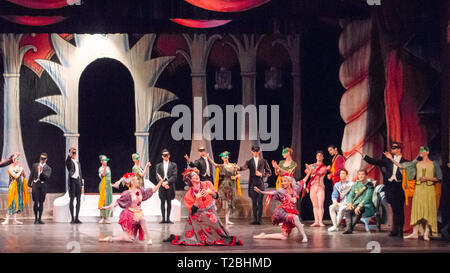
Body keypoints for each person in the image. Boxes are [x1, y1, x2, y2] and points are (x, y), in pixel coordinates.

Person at [166, 169, 243, 246]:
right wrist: (197, 199)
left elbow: (216, 196)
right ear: (190, 179)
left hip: (210, 211)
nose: (196, 176)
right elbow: (192, 211)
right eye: (193, 175)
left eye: (196, 174)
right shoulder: (189, 194)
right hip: (197, 215)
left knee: (211, 220)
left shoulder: (207, 184)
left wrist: (211, 192)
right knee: (192, 233)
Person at [387, 146, 442, 240]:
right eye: (420, 150)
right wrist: (391, 158)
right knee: (417, 210)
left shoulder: (434, 164)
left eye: (423, 150)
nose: (421, 152)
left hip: (429, 189)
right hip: (419, 189)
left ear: (427, 152)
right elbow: (401, 166)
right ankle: (415, 232)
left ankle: (426, 233)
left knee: (428, 210)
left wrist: (428, 178)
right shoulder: (416, 163)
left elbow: (439, 177)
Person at [358, 142, 407, 237]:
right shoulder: (387, 161)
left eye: (394, 148)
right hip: (390, 186)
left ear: (399, 149)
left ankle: (401, 230)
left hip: (399, 186)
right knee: (393, 208)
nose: (392, 149)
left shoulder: (405, 161)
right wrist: (363, 155)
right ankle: (395, 230)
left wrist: (391, 158)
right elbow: (374, 161)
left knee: (400, 209)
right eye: (392, 147)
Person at [99, 172, 163, 244]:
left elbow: (153, 190)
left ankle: (110, 239)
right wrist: (105, 207)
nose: (138, 181)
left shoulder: (141, 190)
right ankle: (149, 239)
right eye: (137, 180)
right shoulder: (127, 193)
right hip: (130, 214)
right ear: (132, 182)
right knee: (142, 219)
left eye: (138, 180)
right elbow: (117, 202)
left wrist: (160, 182)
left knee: (130, 238)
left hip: (138, 212)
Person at [253, 173, 309, 242]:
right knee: (295, 218)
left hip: (291, 212)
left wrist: (309, 172)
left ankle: (264, 236)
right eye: (282, 181)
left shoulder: (295, 189)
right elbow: (273, 192)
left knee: (284, 236)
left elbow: (303, 180)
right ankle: (304, 237)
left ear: (290, 182)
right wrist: (261, 192)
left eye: (285, 181)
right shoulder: (281, 191)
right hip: (284, 212)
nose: (283, 183)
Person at [237, 145, 272, 225]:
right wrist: (238, 168)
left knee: (260, 202)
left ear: (259, 151)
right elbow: (243, 167)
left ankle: (259, 220)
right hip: (253, 184)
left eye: (257, 151)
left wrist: (261, 174)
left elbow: (269, 173)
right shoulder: (249, 161)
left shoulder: (263, 161)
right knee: (254, 202)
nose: (255, 153)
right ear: (252, 151)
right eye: (254, 151)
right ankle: (255, 219)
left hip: (260, 184)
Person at [208, 151, 241, 225]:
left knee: (229, 203)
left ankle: (227, 220)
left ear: (228, 157)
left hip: (231, 186)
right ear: (222, 158)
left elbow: (239, 174)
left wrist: (235, 177)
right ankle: (211, 216)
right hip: (224, 185)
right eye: (224, 157)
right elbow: (214, 164)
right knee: (219, 202)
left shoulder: (233, 165)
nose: (225, 158)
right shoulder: (222, 166)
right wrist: (208, 158)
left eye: (226, 156)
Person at [342, 169, 375, 234]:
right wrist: (350, 203)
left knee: (359, 210)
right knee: (347, 210)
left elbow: (367, 198)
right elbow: (351, 195)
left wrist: (360, 206)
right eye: (359, 174)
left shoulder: (369, 185)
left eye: (362, 174)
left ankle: (350, 228)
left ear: (366, 176)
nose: (361, 176)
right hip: (355, 205)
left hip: (366, 206)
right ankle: (349, 229)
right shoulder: (356, 184)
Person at [2, 154, 29, 225]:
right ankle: (7, 219)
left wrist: (23, 172)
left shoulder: (18, 167)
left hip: (19, 186)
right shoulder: (10, 168)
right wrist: (20, 170)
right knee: (11, 202)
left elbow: (24, 176)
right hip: (13, 187)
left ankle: (15, 220)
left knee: (17, 202)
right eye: (16, 159)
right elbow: (16, 176)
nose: (17, 160)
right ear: (12, 160)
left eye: (18, 159)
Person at [28, 152, 52, 224]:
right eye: (41, 158)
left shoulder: (48, 168)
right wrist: (29, 185)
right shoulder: (35, 165)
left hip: (43, 185)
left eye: (43, 158)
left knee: (41, 202)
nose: (42, 160)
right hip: (35, 184)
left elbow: (47, 177)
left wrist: (41, 171)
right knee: (35, 202)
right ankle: (35, 219)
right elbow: (31, 175)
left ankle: (39, 218)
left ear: (46, 159)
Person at [305, 150, 327, 227]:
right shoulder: (313, 165)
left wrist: (311, 169)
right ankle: (316, 221)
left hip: (320, 187)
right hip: (313, 186)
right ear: (316, 157)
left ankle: (320, 221)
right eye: (318, 156)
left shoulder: (324, 167)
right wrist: (308, 168)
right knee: (315, 205)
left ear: (323, 157)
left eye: (321, 156)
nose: (319, 157)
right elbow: (306, 171)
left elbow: (320, 173)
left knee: (320, 205)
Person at [155, 149, 178, 224]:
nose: (166, 156)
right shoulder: (158, 165)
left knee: (169, 202)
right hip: (162, 185)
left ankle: (168, 219)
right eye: (164, 155)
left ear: (169, 155)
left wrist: (167, 182)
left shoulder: (173, 165)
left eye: (167, 155)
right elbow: (157, 176)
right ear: (162, 156)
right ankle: (163, 219)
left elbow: (174, 176)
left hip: (170, 185)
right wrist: (163, 184)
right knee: (162, 202)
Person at [65, 147, 84, 224]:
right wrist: (69, 154)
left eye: (75, 153)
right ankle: (72, 218)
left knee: (79, 199)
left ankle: (77, 218)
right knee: (72, 199)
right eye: (73, 153)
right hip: (72, 181)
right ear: (70, 153)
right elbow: (67, 162)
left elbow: (80, 173)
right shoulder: (69, 162)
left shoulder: (78, 162)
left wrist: (82, 185)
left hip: (78, 181)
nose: (74, 154)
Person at [98, 155, 113, 224]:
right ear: (101, 161)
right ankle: (102, 217)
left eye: (106, 160)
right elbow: (103, 175)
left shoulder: (109, 168)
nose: (105, 161)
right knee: (103, 201)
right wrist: (104, 167)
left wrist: (111, 184)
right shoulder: (101, 168)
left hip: (108, 186)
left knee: (108, 201)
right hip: (103, 186)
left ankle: (107, 217)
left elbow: (109, 177)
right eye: (104, 160)